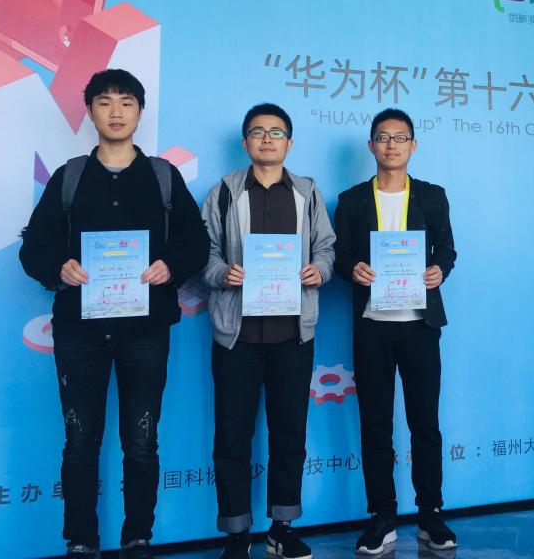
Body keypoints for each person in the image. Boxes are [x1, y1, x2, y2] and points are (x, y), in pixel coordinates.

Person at [19, 69, 209, 559]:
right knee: (79, 440)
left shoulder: (163, 177)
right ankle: (81, 540)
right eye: (105, 102)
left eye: (126, 102)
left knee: (141, 441)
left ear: (140, 112)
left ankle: (137, 537)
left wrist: (171, 266)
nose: (116, 111)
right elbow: (33, 249)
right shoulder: (70, 177)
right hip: (79, 334)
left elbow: (196, 242)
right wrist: (60, 268)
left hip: (145, 333)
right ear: (90, 112)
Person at [201, 103, 335, 559]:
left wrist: (319, 270)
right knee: (231, 437)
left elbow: (326, 247)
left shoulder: (307, 192)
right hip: (235, 336)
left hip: (293, 335)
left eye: (276, 132)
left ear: (289, 143)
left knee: (289, 434)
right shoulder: (224, 192)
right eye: (258, 132)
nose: (267, 139)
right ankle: (237, 533)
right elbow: (205, 251)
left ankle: (282, 527)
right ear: (245, 142)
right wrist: (222, 274)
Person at [333, 108, 458, 555]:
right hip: (373, 326)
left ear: (413, 145)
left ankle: (430, 515)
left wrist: (439, 269)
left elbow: (447, 249)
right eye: (383, 137)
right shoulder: (351, 200)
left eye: (400, 137)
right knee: (375, 424)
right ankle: (381, 516)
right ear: (371, 146)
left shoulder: (432, 196)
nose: (391, 145)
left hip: (420, 325)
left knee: (425, 424)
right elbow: (338, 254)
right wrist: (353, 268)